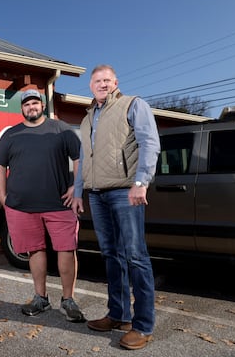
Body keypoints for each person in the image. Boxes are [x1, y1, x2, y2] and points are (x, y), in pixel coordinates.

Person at [72, 65, 160, 350]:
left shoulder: (132, 105)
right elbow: (84, 159)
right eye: (97, 81)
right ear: (90, 86)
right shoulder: (87, 120)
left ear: (115, 82)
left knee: (136, 256)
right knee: (111, 255)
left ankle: (143, 326)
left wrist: (141, 181)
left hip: (125, 190)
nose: (102, 84)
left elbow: (150, 143)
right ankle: (118, 314)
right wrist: (77, 192)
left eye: (106, 80)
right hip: (96, 194)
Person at [0, 88, 85, 323]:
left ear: (42, 106)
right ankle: (40, 297)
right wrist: (3, 196)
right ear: (21, 108)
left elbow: (80, 158)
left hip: (59, 204)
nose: (31, 107)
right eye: (26, 104)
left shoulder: (61, 129)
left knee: (66, 249)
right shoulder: (10, 134)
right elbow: (0, 166)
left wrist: (77, 187)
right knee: (34, 250)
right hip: (22, 206)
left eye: (35, 103)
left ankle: (69, 300)